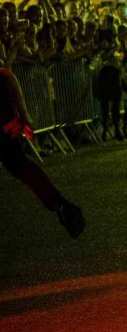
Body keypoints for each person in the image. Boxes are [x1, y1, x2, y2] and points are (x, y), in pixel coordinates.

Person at [0, 67, 84, 238]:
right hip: (6, 125)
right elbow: (7, 75)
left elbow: (6, 74)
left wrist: (24, 114)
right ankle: (60, 204)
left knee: (20, 165)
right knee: (20, 166)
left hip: (5, 125)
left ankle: (60, 204)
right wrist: (24, 114)